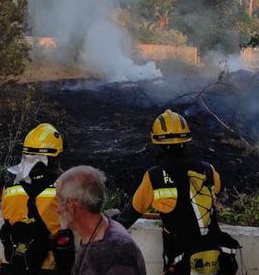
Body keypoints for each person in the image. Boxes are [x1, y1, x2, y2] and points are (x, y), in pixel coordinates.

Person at [113, 110, 238, 275]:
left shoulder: (155, 176)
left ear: (157, 142)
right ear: (186, 140)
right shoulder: (208, 170)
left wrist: (106, 224)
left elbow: (128, 217)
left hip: (181, 262)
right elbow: (216, 190)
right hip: (214, 257)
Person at [0, 123, 75, 275]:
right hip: (49, 267)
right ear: (54, 157)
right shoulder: (64, 188)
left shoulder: (9, 187)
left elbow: (7, 217)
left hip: (14, 265)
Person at [57, 166, 146, 275]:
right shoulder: (93, 236)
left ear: (72, 204)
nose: (57, 209)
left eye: (60, 201)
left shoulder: (114, 251)